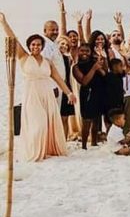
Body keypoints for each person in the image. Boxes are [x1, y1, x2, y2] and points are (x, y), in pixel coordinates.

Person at [0, 13, 76, 161]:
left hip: (47, 94)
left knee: (49, 124)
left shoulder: (47, 61)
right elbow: (13, 40)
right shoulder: (24, 57)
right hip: (32, 95)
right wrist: (4, 24)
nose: (36, 47)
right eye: (33, 44)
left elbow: (59, 79)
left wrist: (69, 93)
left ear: (42, 46)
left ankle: (48, 150)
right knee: (38, 124)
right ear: (29, 46)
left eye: (38, 44)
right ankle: (34, 152)